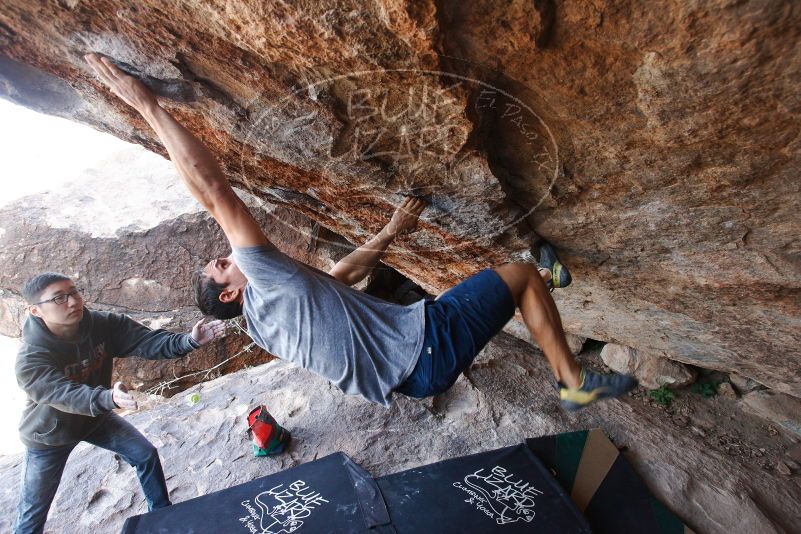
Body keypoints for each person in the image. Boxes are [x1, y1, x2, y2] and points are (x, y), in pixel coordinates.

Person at [85, 53, 635, 413]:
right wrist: (147, 105)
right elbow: (214, 192)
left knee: (514, 284)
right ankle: (572, 381)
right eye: (221, 265)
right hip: (425, 348)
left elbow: (341, 278)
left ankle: (551, 317)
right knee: (520, 277)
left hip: (416, 379)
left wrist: (391, 230)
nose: (226, 255)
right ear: (230, 292)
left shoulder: (265, 325)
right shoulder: (265, 280)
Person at [14, 272, 224, 534]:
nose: (73, 302)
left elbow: (146, 341)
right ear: (35, 310)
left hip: (96, 419)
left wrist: (188, 341)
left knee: (144, 454)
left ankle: (163, 520)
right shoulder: (30, 357)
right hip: (50, 434)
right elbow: (60, 393)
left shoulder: (102, 324)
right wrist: (106, 398)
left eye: (74, 292)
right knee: (34, 511)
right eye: (59, 298)